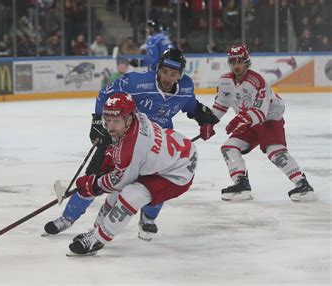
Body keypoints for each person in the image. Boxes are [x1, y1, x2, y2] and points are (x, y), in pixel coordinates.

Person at [44, 48, 218, 240]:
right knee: (93, 177)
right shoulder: (137, 82)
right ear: (158, 69)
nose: (168, 78)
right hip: (121, 137)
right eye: (165, 72)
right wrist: (97, 121)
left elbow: (190, 105)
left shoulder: (185, 87)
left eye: (174, 74)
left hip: (155, 144)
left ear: (180, 75)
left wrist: (204, 118)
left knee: (158, 178)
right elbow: (104, 95)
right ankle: (67, 218)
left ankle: (148, 218)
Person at [67, 92, 198, 255]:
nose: (110, 127)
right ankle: (95, 231)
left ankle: (97, 239)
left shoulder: (134, 147)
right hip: (174, 154)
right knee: (116, 196)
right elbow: (124, 162)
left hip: (177, 172)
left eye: (116, 121)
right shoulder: (137, 119)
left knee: (130, 194)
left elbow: (118, 182)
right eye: (107, 120)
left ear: (128, 119)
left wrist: (94, 184)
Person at [201, 44, 315, 202]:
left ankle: (302, 184)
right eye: (233, 61)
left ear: (247, 62)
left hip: (269, 119)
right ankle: (241, 184)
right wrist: (209, 122)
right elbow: (220, 105)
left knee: (274, 151)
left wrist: (241, 119)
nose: (236, 65)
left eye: (240, 61)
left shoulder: (257, 81)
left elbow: (260, 113)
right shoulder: (224, 82)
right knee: (229, 147)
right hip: (248, 122)